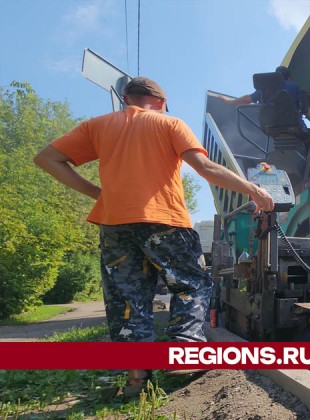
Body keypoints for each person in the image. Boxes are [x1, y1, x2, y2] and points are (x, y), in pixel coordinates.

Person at [33, 77, 274, 391]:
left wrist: (98, 194)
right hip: (165, 220)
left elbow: (46, 158)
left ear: (125, 98)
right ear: (161, 101)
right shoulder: (169, 123)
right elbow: (204, 167)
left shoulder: (97, 126)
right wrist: (253, 190)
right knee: (191, 282)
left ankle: (137, 378)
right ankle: (185, 351)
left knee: (126, 298)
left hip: (114, 224)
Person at [225, 66, 310, 124]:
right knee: (309, 139)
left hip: (269, 124)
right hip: (292, 123)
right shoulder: (295, 87)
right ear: (289, 77)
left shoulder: (266, 87)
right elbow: (306, 110)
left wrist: (229, 101)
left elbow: (247, 99)